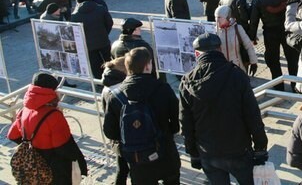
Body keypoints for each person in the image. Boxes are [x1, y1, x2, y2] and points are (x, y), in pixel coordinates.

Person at [179, 33, 268, 184]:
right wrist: (260, 147)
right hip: (238, 150)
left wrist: (193, 153)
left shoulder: (187, 82)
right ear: (220, 50)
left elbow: (185, 123)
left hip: (208, 153)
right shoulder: (237, 75)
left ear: (196, 54)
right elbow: (252, 114)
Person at [103, 47, 180, 184]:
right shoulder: (163, 89)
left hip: (137, 158)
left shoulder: (115, 96)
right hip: (164, 151)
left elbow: (110, 132)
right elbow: (175, 123)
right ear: (147, 65)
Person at [8, 72, 88, 184]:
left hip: (33, 167)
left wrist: (31, 146)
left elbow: (12, 135)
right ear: (51, 91)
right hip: (55, 167)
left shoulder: (24, 110)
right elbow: (64, 147)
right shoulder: (53, 115)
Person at [249, 0, 298, 90]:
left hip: (270, 32)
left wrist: (252, 36)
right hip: (287, 30)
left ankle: (278, 86)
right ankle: (295, 84)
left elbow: (254, 19)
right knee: (292, 58)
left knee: (273, 60)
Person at [100, 57, 129, 185]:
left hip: (116, 137)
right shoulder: (121, 90)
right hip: (126, 136)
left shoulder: (107, 87)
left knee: (121, 168)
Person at [71, 0, 113, 79]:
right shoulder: (101, 9)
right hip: (103, 41)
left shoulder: (75, 16)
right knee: (109, 60)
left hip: (89, 45)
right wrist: (105, 33)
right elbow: (110, 23)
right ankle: (113, 77)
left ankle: (99, 81)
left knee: (95, 64)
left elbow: (74, 32)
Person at [214, 5, 257, 74]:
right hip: (222, 70)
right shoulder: (214, 31)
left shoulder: (237, 28)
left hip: (238, 69)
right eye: (215, 17)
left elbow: (249, 46)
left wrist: (253, 62)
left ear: (227, 17)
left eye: (219, 17)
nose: (217, 20)